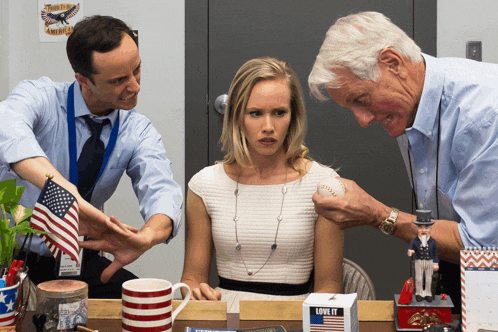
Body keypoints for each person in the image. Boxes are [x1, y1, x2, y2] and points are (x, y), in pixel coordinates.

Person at [308, 10, 498, 313]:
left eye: (360, 99)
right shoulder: (407, 102)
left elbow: (484, 249)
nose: (363, 120)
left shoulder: (484, 114)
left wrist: (378, 214)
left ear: (393, 63)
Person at [0, 15, 183, 299]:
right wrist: (63, 189)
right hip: (9, 259)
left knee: (148, 303)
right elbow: (9, 132)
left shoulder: (137, 130)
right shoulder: (40, 97)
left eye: (137, 70)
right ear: (83, 79)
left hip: (75, 260)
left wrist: (146, 237)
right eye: (119, 80)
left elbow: (162, 190)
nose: (135, 86)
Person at [181, 57, 344, 313]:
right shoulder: (205, 185)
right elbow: (191, 280)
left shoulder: (323, 185)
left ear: (294, 116)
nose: (268, 127)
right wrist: (193, 292)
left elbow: (329, 288)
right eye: (255, 113)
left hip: (295, 320)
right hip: (225, 319)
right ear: (237, 116)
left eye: (279, 113)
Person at [408, 210, 439, 303]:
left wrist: (435, 263)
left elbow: (435, 253)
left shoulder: (433, 242)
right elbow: (411, 248)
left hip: (429, 262)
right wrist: (410, 251)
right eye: (420, 228)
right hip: (418, 261)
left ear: (430, 229)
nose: (423, 230)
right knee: (418, 278)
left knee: (429, 278)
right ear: (417, 228)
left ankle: (428, 293)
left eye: (426, 228)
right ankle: (419, 293)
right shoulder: (414, 241)